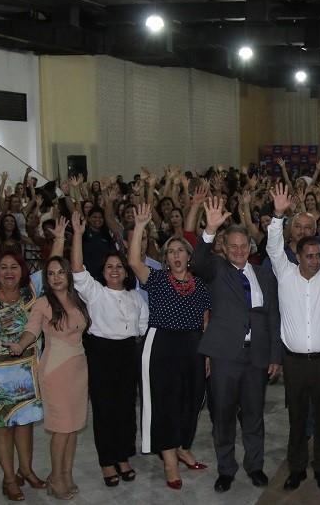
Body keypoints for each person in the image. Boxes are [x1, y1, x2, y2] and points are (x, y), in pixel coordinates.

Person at [192, 197, 281, 493]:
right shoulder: (217, 270)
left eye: (244, 246)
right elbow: (197, 263)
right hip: (225, 356)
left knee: (254, 414)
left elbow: (273, 316)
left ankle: (255, 466)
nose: (240, 250)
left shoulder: (264, 274)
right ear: (224, 248)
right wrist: (210, 229)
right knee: (223, 415)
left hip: (256, 355)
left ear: (250, 248)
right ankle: (226, 469)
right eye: (233, 246)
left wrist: (274, 355)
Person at [267, 183, 320, 492]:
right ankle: (297, 468)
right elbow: (274, 247)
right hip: (296, 363)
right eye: (309, 255)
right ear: (298, 256)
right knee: (297, 420)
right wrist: (277, 214)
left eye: (317, 255)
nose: (315, 259)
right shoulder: (284, 274)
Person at [128, 203, 211, 490]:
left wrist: (206, 352)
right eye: (171, 252)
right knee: (164, 400)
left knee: (192, 397)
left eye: (181, 251)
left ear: (189, 256)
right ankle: (169, 459)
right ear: (165, 258)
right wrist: (140, 226)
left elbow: (205, 318)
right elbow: (134, 262)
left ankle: (182, 446)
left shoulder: (200, 284)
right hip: (161, 343)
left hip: (194, 344)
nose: (177, 255)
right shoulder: (157, 279)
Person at [68, 212, 148, 487]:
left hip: (127, 353)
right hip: (101, 353)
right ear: (102, 272)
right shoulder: (96, 293)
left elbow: (141, 327)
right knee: (104, 408)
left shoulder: (136, 297)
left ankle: (123, 456)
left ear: (126, 272)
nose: (114, 270)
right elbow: (77, 269)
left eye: (119, 266)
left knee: (126, 407)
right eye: (109, 266)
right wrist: (78, 235)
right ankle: (107, 461)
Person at [0, 207, 45, 502]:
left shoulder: (30, 294)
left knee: (25, 422)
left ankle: (25, 470)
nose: (9, 271)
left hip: (28, 369)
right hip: (0, 375)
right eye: (3, 267)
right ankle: (7, 478)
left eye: (13, 266)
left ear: (21, 270)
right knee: (3, 426)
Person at [5, 255, 91, 500]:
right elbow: (31, 329)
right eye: (50, 274)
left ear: (68, 274)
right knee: (62, 429)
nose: (55, 278)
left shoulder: (78, 299)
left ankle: (66, 474)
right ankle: (56, 478)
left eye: (60, 272)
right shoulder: (42, 303)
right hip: (55, 369)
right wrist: (20, 345)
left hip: (78, 366)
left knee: (74, 427)